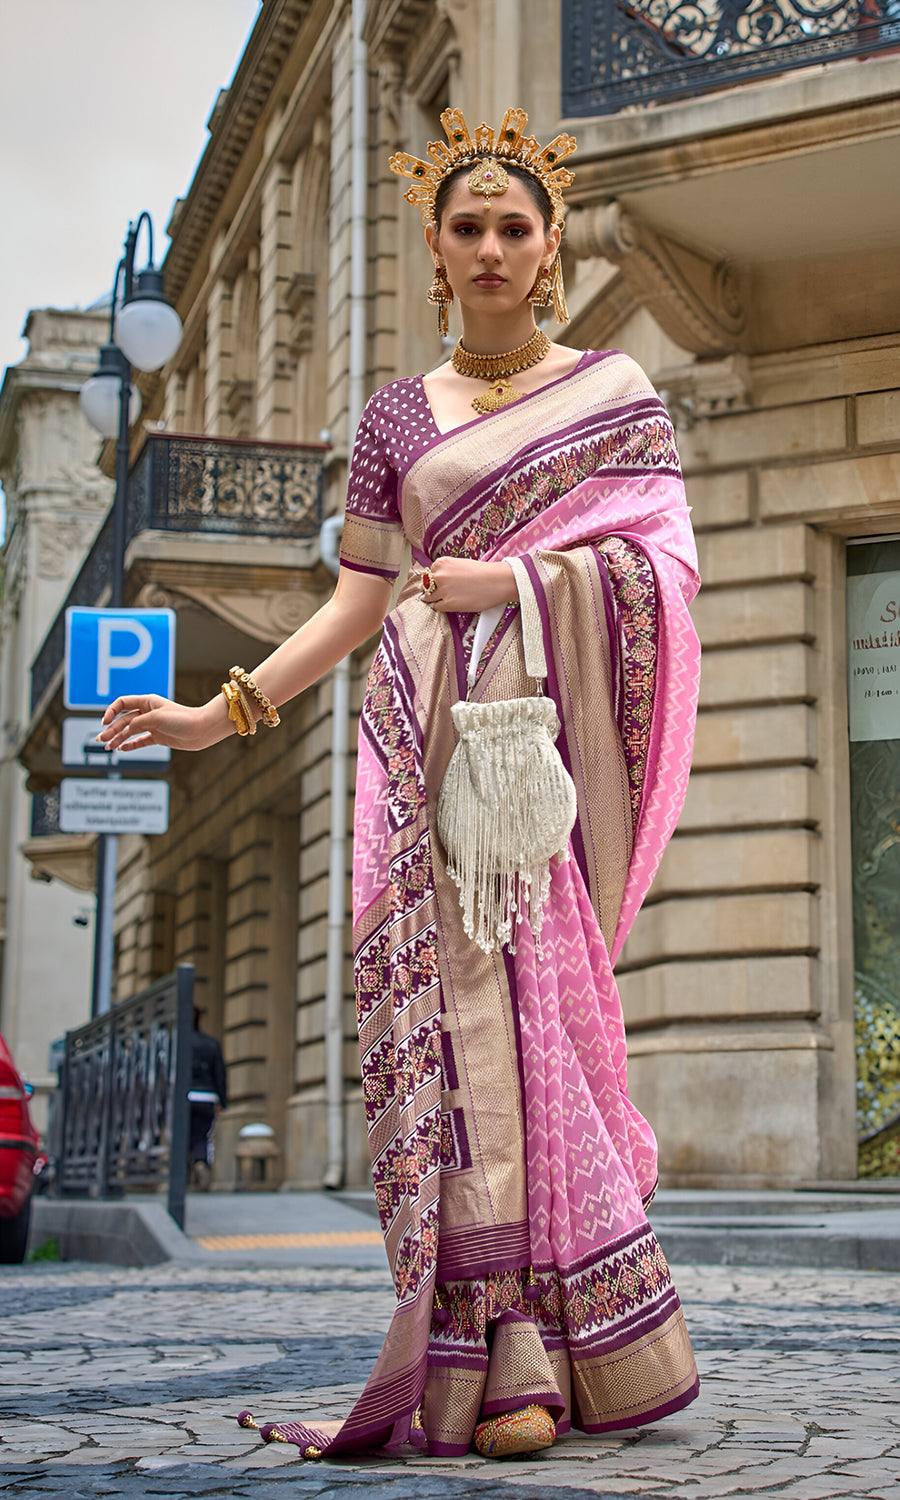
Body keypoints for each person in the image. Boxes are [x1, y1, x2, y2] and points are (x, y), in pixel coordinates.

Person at [99, 105, 702, 1462]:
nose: (491, 247)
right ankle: (495, 1343)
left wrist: (520, 582)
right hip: (411, 754)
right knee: (449, 1030)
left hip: (524, 767)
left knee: (535, 1025)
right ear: (436, 248)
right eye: (468, 226)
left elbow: (661, 575)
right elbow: (358, 600)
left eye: (514, 226)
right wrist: (221, 711)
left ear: (547, 248)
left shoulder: (615, 396)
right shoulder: (393, 418)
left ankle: (557, 1338)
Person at [187, 1007, 227, 1191]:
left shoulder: (178, 1043)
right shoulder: (211, 1043)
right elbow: (220, 1074)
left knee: (184, 1135)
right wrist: (222, 1101)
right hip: (207, 1096)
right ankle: (201, 1162)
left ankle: (185, 1172)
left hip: (186, 1096)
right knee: (202, 1135)